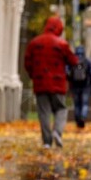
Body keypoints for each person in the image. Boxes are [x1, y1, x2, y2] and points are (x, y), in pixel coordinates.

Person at [24, 16, 78, 148]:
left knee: (44, 112)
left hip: (40, 83)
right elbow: (73, 61)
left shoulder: (34, 43)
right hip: (57, 83)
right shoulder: (62, 44)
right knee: (61, 108)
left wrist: (34, 75)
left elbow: (27, 62)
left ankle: (47, 141)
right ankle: (57, 132)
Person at [68, 46, 91, 128]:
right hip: (85, 86)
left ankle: (77, 119)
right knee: (85, 103)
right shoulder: (87, 61)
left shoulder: (72, 61)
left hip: (75, 86)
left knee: (77, 104)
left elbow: (67, 72)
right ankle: (83, 117)